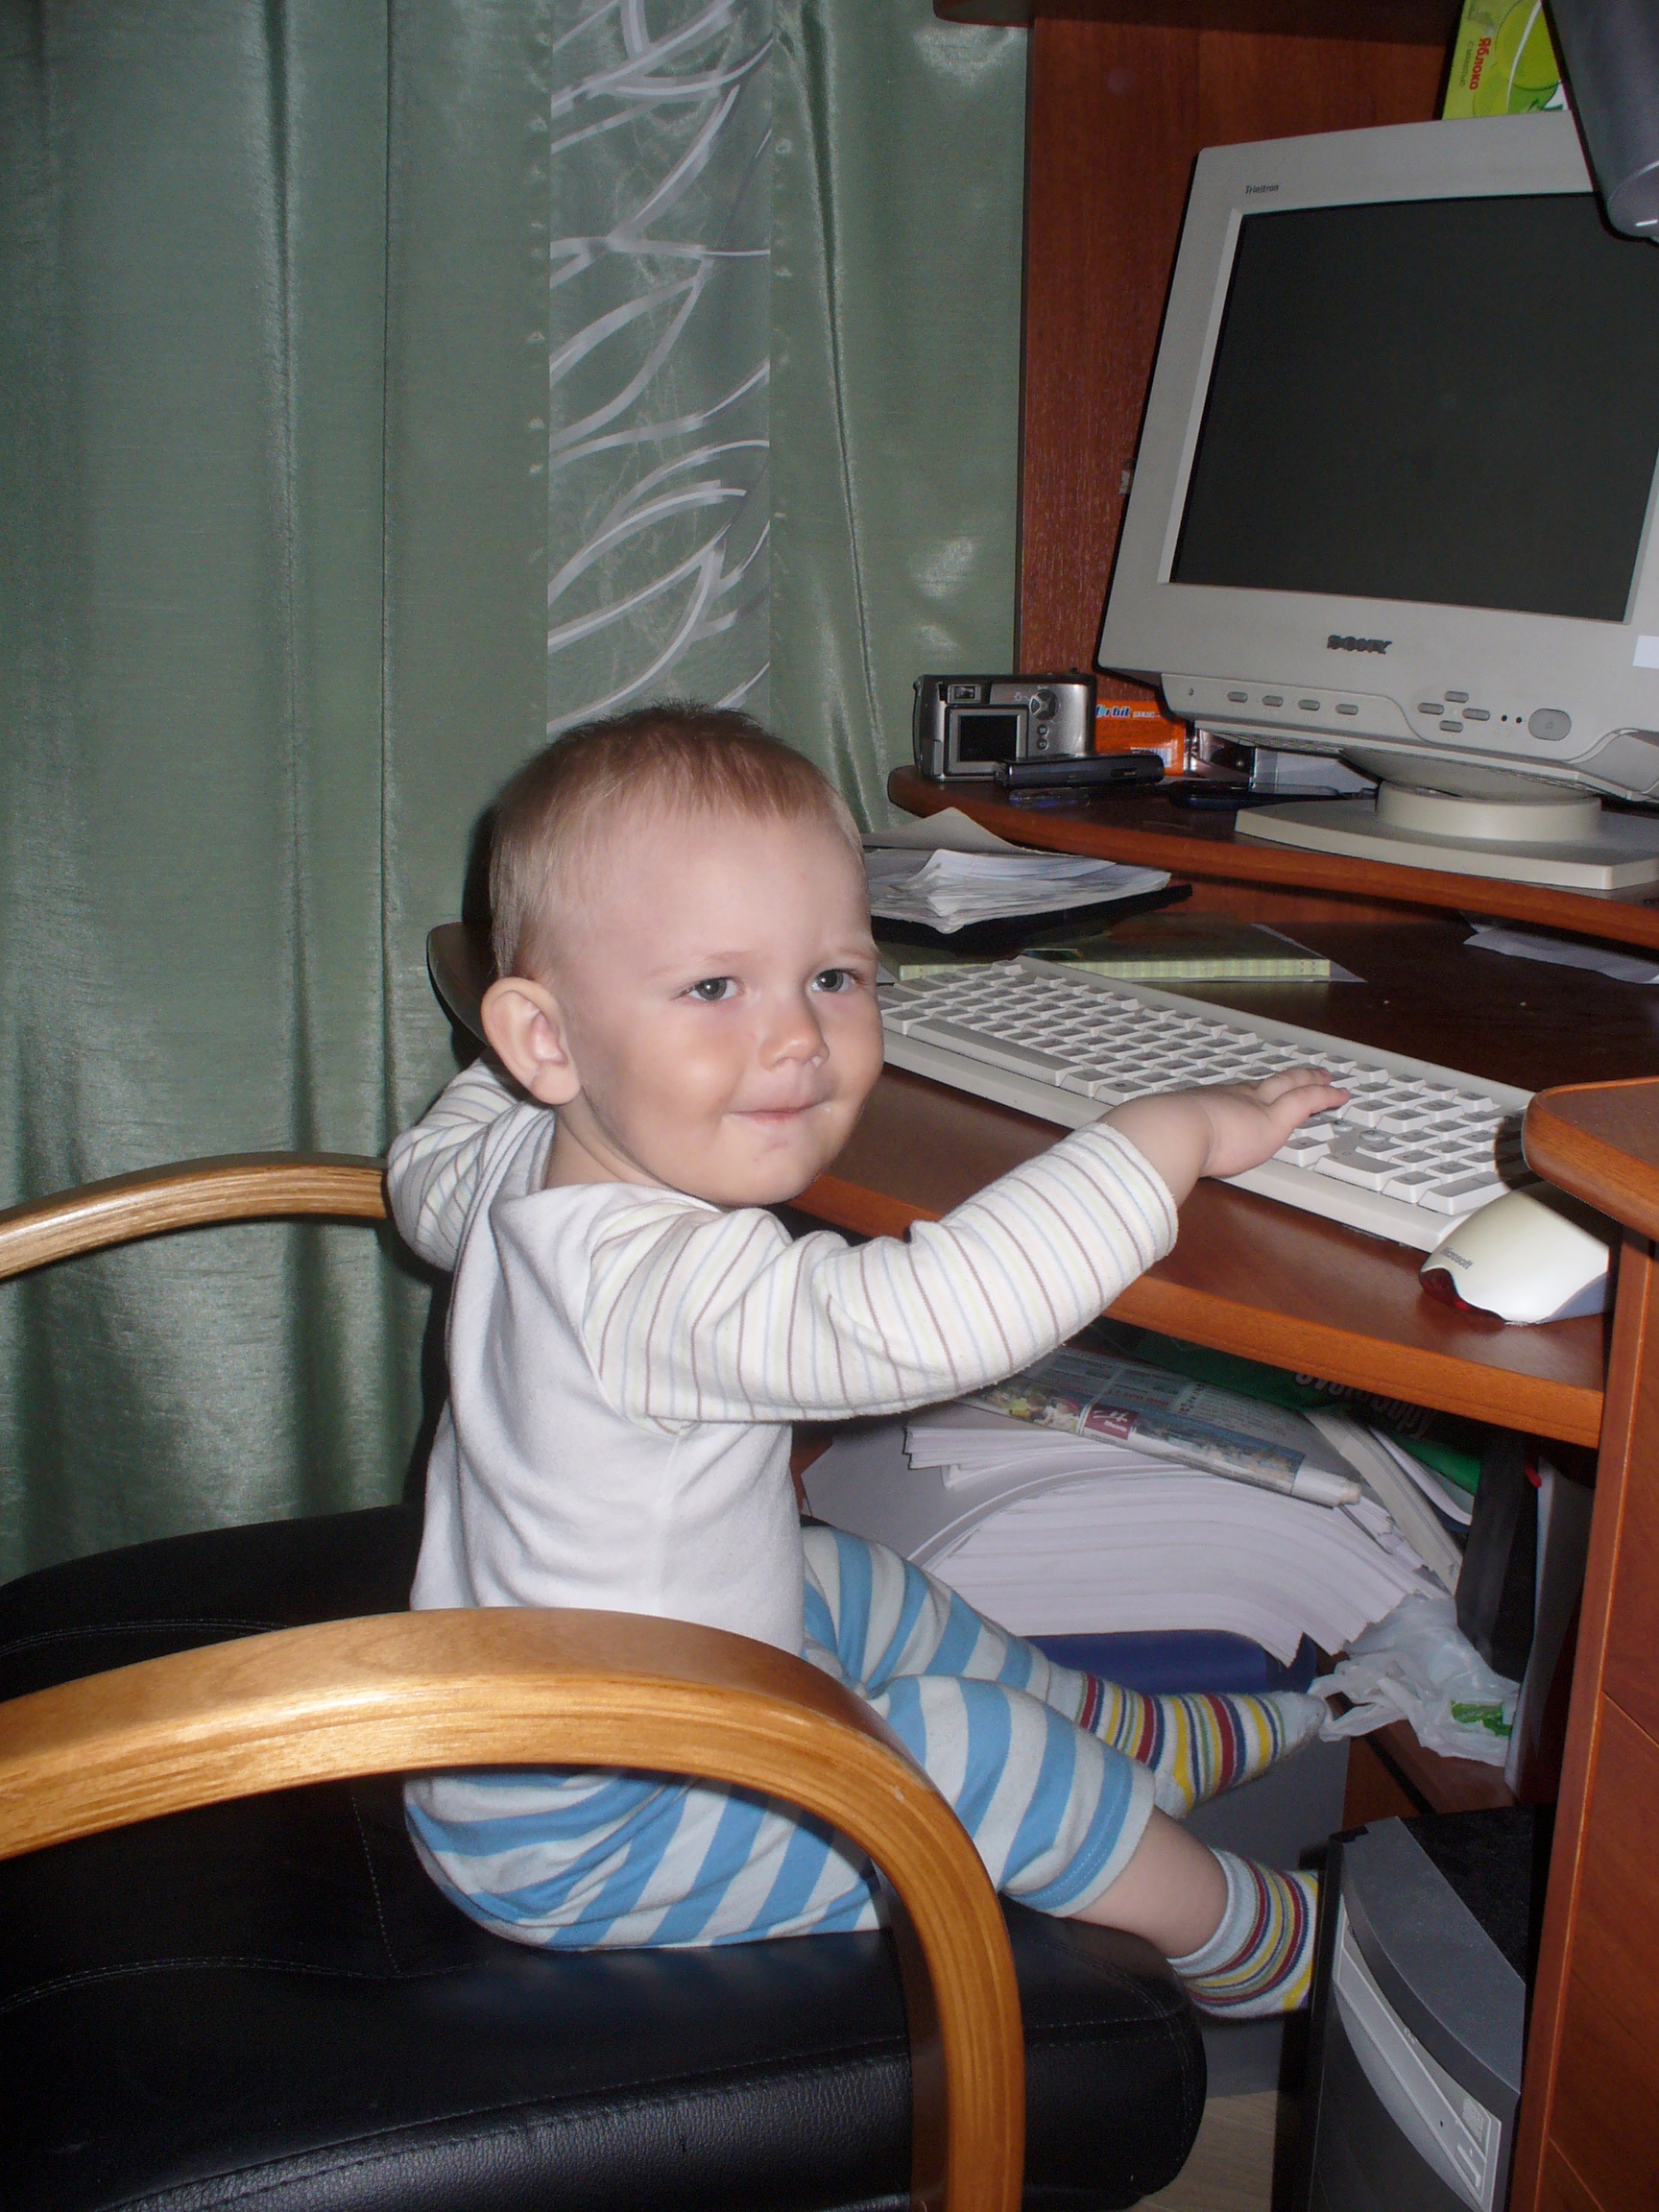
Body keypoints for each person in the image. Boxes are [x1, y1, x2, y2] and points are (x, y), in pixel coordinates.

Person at [388, 706, 1348, 2016]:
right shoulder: (652, 1283)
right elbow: (930, 1316)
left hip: (545, 1741)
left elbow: (422, 1177)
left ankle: (1137, 1739)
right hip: (600, 1838)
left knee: (846, 1579)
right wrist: (1165, 1136)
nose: (797, 1038)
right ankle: (1248, 1941)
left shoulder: (521, 1157)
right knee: (974, 1753)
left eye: (834, 977)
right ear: (547, 1040)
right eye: (715, 988)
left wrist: (537, 1054)